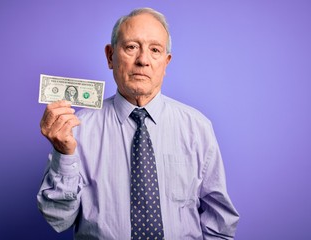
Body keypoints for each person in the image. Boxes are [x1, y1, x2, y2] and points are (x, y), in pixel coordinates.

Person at [37, 7, 239, 239]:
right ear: (110, 56)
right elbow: (58, 218)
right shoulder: (76, 129)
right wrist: (64, 155)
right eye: (131, 47)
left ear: (166, 62)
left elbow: (220, 220)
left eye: (155, 50)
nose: (143, 60)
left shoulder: (197, 128)